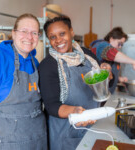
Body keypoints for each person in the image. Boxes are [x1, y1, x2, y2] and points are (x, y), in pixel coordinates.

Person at [39, 16, 113, 150]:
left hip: (93, 125)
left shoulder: (86, 55)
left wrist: (107, 75)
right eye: (52, 37)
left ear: (71, 32)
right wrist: (76, 111)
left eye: (62, 33)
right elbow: (52, 106)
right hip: (66, 133)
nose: (58, 40)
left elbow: (101, 87)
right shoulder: (48, 66)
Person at [0, 14, 47, 150]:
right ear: (13, 33)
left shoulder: (35, 62)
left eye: (34, 33)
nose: (29, 37)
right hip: (7, 142)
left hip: (38, 139)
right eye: (24, 31)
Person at [90, 27, 135, 93]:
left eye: (121, 45)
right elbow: (111, 53)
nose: (120, 47)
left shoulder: (113, 56)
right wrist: (133, 61)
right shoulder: (101, 45)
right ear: (111, 39)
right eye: (119, 43)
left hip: (107, 92)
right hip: (97, 92)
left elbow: (109, 75)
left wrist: (119, 79)